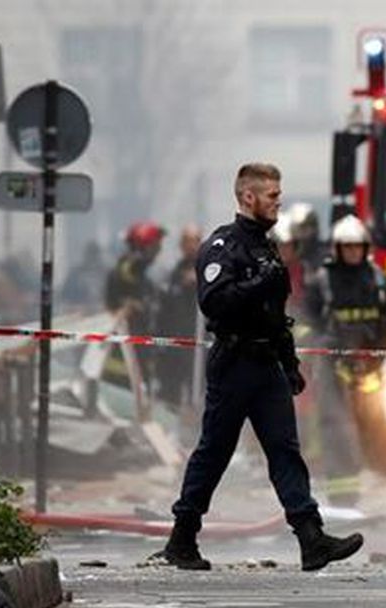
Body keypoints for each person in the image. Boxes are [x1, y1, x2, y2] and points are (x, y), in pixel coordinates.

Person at [157, 163, 362, 572]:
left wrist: (289, 363)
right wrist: (258, 285)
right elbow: (214, 302)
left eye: (278, 194)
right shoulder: (222, 246)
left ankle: (311, 539)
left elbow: (275, 315)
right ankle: (182, 538)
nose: (278, 201)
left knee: (285, 450)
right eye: (271, 195)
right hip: (234, 363)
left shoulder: (267, 247)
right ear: (248, 197)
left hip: (267, 363)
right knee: (214, 452)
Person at [302, 214, 386, 504]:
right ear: (337, 249)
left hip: (371, 368)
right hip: (333, 367)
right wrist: (316, 345)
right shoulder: (322, 281)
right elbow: (305, 323)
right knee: (336, 428)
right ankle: (343, 497)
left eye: (357, 247)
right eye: (347, 247)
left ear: (365, 247)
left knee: (377, 429)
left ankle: (381, 477)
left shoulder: (378, 279)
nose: (352, 252)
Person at [103, 221, 166, 385]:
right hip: (122, 358)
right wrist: (139, 257)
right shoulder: (126, 271)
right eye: (155, 248)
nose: (157, 254)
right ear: (142, 247)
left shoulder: (145, 280)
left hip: (138, 356)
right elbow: (129, 270)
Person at [155, 225, 202, 408]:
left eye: (194, 241)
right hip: (175, 342)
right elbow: (166, 303)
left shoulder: (208, 270)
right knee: (171, 389)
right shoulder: (175, 273)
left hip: (200, 345)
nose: (191, 246)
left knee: (199, 390)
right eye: (186, 242)